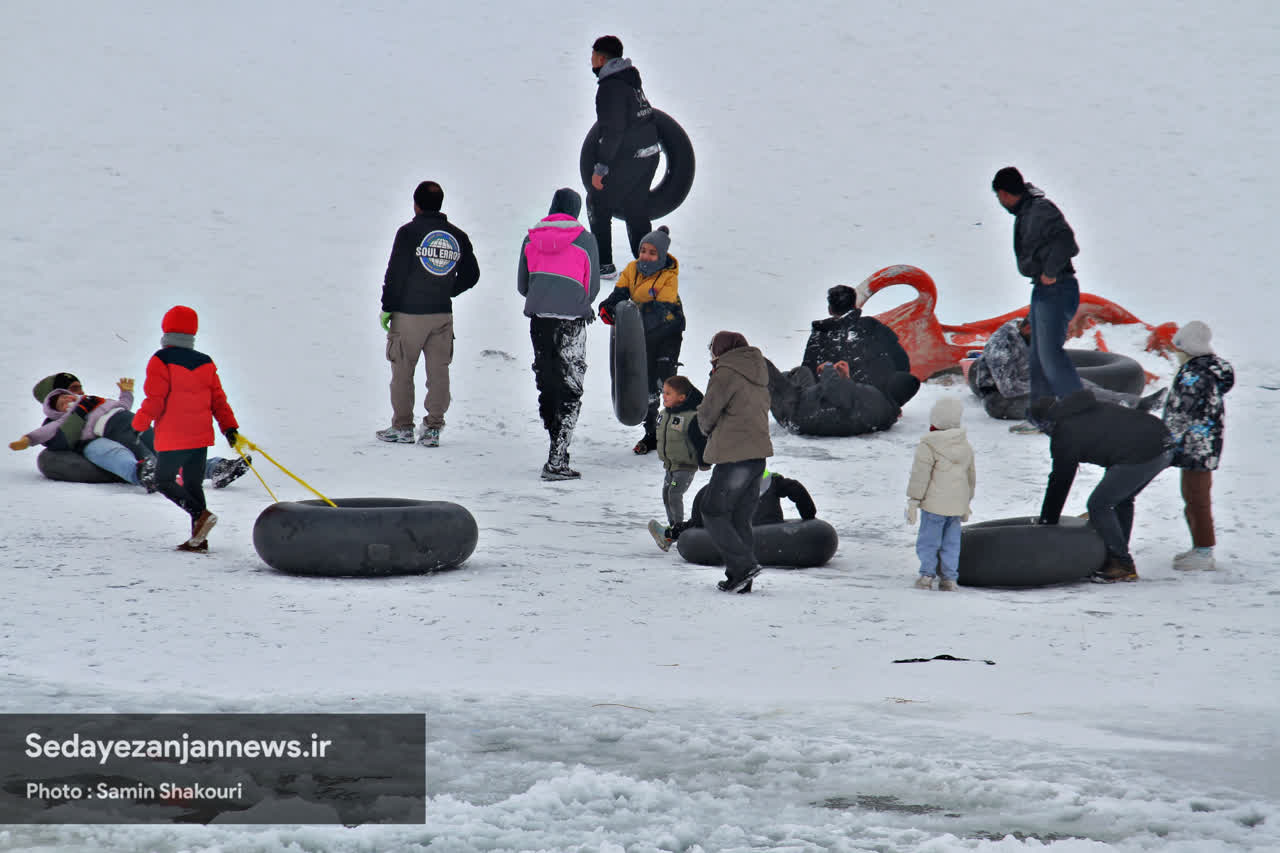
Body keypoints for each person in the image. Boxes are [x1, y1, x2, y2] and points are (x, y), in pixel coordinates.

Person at [1032, 390, 1174, 582]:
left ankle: (1121, 563)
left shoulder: (1064, 432)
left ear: (1046, 423)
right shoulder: (1084, 409)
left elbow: (1060, 480)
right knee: (1121, 500)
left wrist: (1047, 522)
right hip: (1163, 444)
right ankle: (1116, 556)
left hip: (1143, 452)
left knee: (1099, 504)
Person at [378, 180, 480, 448]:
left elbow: (395, 273)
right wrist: (447, 289)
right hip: (441, 315)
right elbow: (473, 274)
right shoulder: (457, 236)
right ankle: (433, 428)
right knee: (439, 371)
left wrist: (388, 306)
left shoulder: (408, 233)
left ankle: (402, 427)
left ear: (416, 204)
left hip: (408, 314)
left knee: (402, 371)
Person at [132, 306, 240, 552]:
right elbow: (218, 400)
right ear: (193, 331)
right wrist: (229, 428)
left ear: (165, 328)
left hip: (173, 435)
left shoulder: (161, 360)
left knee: (163, 481)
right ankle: (199, 540)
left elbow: (155, 399)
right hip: (200, 435)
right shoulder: (205, 362)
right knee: (192, 485)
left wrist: (139, 424)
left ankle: (200, 516)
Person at [23, 372, 248, 489]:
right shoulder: (57, 423)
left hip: (126, 428)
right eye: (72, 389)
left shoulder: (93, 403)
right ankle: (144, 472)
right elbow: (53, 439)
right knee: (110, 451)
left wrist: (125, 396)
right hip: (98, 442)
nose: (80, 392)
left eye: (79, 387)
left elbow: (122, 405)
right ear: (53, 398)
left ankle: (216, 469)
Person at [517, 187, 600, 480]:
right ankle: (557, 457)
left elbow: (522, 286)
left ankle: (555, 448)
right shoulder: (586, 239)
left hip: (539, 320)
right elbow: (592, 288)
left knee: (548, 382)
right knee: (570, 388)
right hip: (572, 322)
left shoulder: (532, 237)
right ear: (575, 210)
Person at [992, 167, 1084, 430]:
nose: (1000, 203)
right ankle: (1041, 416)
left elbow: (1068, 241)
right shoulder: (1028, 211)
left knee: (1051, 356)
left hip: (1057, 288)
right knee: (1038, 356)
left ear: (1004, 193)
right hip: (1044, 291)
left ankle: (1081, 415)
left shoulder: (1040, 210)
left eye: (999, 197)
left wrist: (1050, 271)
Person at [970, 317, 1167, 424]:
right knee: (1069, 398)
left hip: (1027, 387)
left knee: (1077, 384)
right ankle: (1121, 411)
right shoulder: (1001, 347)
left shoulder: (1026, 333)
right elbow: (1009, 389)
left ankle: (1133, 403)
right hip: (1000, 401)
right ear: (1029, 330)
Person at [697, 331, 773, 593]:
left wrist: (705, 433)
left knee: (713, 511)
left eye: (713, 350)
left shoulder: (726, 373)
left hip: (734, 456)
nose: (712, 356)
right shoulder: (758, 372)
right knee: (740, 517)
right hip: (757, 457)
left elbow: (708, 413)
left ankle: (743, 566)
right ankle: (740, 580)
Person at [598, 226, 685, 453]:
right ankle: (652, 434)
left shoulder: (668, 277)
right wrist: (609, 307)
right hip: (642, 332)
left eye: (652, 252)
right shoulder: (632, 269)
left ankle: (677, 430)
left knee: (664, 381)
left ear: (662, 256)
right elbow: (620, 293)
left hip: (667, 332)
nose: (645, 256)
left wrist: (631, 315)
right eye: (643, 250)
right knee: (645, 385)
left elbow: (661, 309)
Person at [1162, 321, 1234, 571]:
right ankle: (1199, 548)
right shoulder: (1209, 370)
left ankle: (1204, 551)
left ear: (1188, 348)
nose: (1175, 354)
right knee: (1193, 496)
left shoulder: (1195, 375)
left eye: (1177, 349)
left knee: (1196, 498)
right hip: (1205, 444)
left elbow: (1180, 411)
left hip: (1196, 446)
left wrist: (1163, 437)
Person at [587, 34, 660, 279]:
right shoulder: (630, 80)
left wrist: (601, 169)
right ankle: (647, 265)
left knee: (597, 201)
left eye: (593, 56)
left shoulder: (610, 87)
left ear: (601, 58)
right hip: (650, 154)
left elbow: (613, 130)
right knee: (635, 207)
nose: (591, 61)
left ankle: (603, 265)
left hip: (631, 157)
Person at [11, 379, 158, 488]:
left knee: (156, 442)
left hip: (132, 421)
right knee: (134, 447)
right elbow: (46, 432)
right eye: (62, 402)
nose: (73, 396)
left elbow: (123, 404)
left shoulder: (94, 401)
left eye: (69, 394)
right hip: (111, 432)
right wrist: (28, 440)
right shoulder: (63, 419)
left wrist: (126, 392)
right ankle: (149, 472)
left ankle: (171, 467)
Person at [802, 284, 919, 407]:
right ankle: (890, 406)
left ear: (830, 309)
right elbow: (902, 361)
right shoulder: (873, 326)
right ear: (854, 305)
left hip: (832, 403)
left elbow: (808, 370)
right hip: (875, 402)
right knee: (906, 379)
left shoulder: (820, 334)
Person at [905, 397, 976, 591]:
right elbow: (970, 478)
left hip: (934, 505)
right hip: (955, 506)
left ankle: (927, 575)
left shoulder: (928, 445)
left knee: (929, 540)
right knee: (951, 543)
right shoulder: (965, 446)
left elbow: (920, 476)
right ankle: (949, 578)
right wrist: (966, 502)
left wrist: (914, 501)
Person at [650, 469, 816, 550]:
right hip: (772, 528)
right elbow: (796, 489)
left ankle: (670, 535)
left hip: (738, 532)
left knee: (704, 519)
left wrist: (698, 526)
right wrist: (809, 517)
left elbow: (704, 505)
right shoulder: (770, 479)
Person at [645, 375, 707, 550]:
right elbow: (655, 436)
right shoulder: (663, 415)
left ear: (681, 398)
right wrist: (645, 444)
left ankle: (677, 531)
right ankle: (674, 529)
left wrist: (703, 461)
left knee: (674, 493)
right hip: (670, 467)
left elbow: (700, 440)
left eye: (668, 394)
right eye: (663, 392)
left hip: (684, 467)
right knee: (666, 494)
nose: (664, 396)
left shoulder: (691, 417)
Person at [767, 358, 901, 437]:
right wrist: (846, 381)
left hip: (796, 412)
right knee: (802, 371)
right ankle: (785, 378)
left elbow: (834, 390)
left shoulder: (875, 396)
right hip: (811, 403)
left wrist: (828, 368)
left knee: (763, 365)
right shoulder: (887, 416)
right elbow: (851, 407)